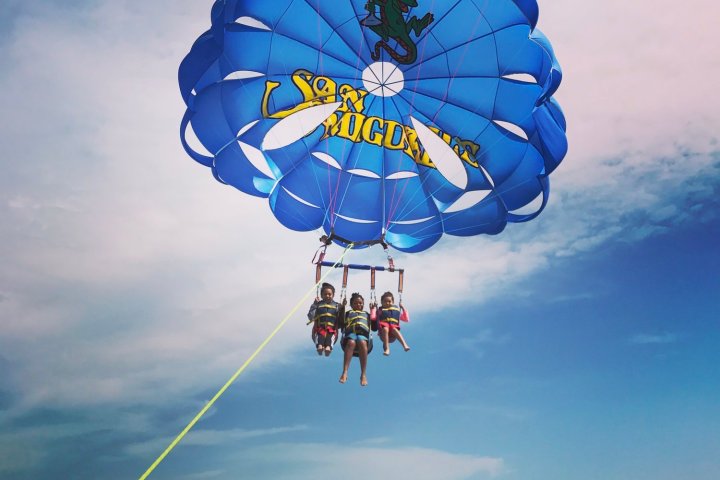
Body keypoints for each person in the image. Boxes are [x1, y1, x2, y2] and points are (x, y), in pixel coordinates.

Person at [339, 292, 371, 386]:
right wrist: (342, 308)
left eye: (360, 303)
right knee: (351, 342)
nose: (358, 305)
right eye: (356, 303)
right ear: (351, 305)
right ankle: (345, 372)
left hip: (363, 336)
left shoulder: (367, 314)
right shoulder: (348, 313)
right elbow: (341, 322)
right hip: (350, 335)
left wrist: (373, 310)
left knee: (362, 342)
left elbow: (374, 327)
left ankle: (363, 374)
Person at [307, 283, 344, 356]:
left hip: (332, 329)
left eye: (329, 294)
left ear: (333, 295)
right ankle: (319, 346)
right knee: (320, 337)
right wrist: (314, 304)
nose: (327, 296)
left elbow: (341, 320)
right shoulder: (318, 304)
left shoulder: (337, 306)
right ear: (321, 295)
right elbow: (311, 316)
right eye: (325, 294)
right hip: (320, 328)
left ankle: (328, 347)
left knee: (330, 338)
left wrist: (342, 308)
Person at [376, 291, 410, 355]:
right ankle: (387, 349)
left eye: (389, 301)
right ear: (381, 302)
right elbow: (373, 318)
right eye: (385, 301)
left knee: (394, 328)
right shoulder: (380, 311)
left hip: (393, 335)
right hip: (383, 333)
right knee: (385, 328)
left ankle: (405, 345)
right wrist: (373, 308)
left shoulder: (395, 309)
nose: (387, 303)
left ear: (393, 302)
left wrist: (402, 307)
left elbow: (406, 319)